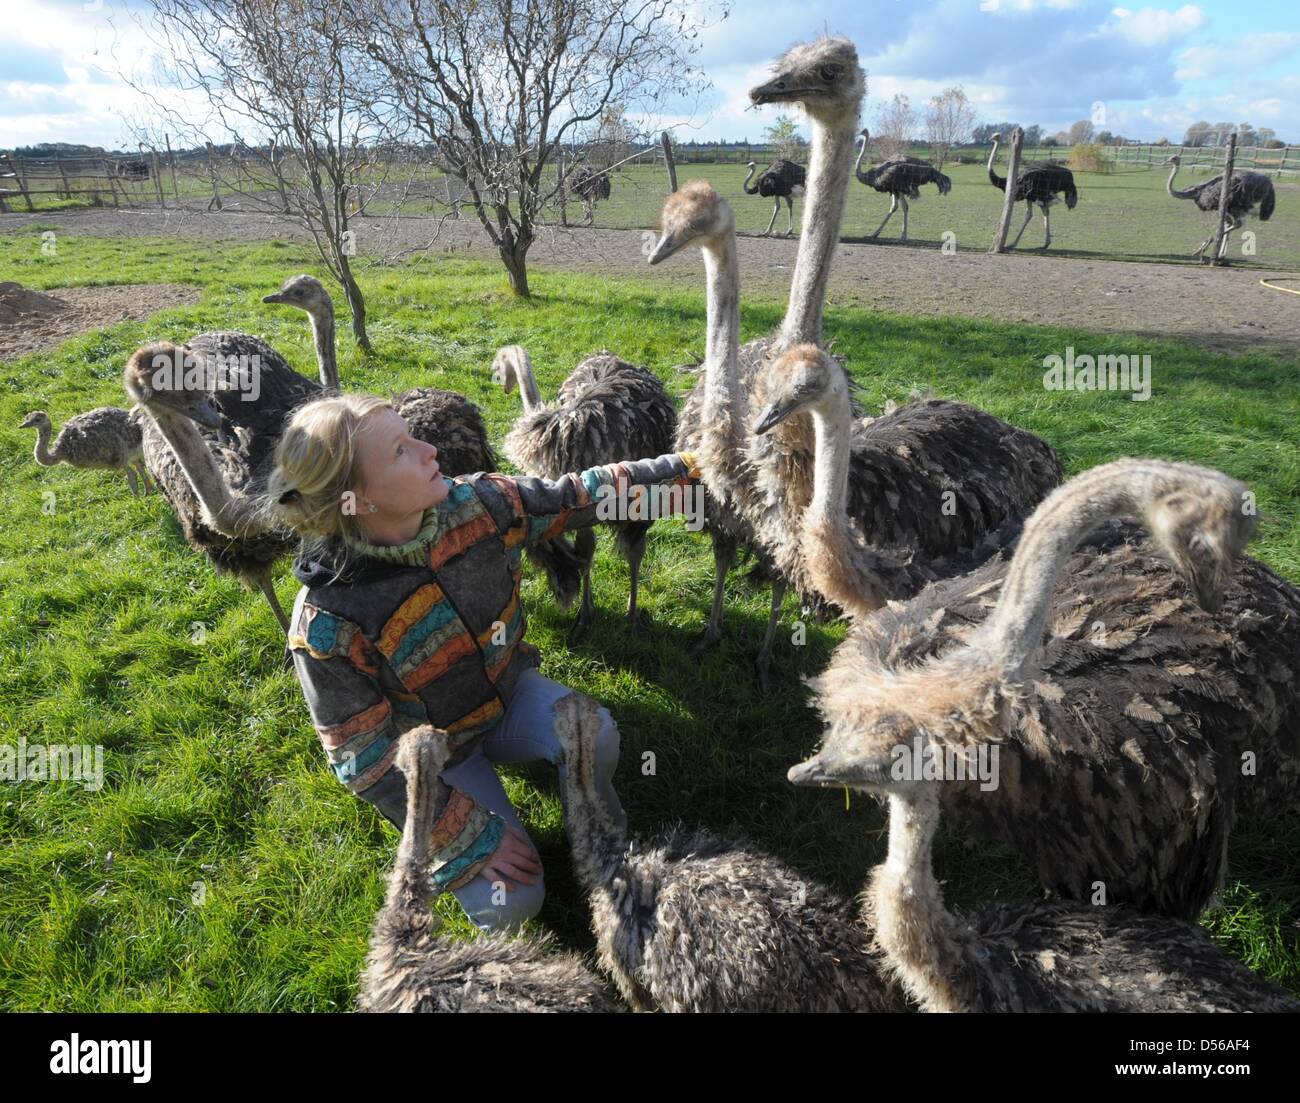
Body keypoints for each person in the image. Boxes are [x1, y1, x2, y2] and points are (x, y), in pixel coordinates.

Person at [266, 391, 699, 933]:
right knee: (510, 901)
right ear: (357, 499)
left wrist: (692, 470)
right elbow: (365, 759)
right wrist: (465, 836)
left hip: (509, 696)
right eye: (401, 451)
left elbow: (578, 496)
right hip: (440, 756)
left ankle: (602, 842)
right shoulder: (327, 623)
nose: (430, 450)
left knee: (596, 734)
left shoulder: (478, 506)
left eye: (414, 436)